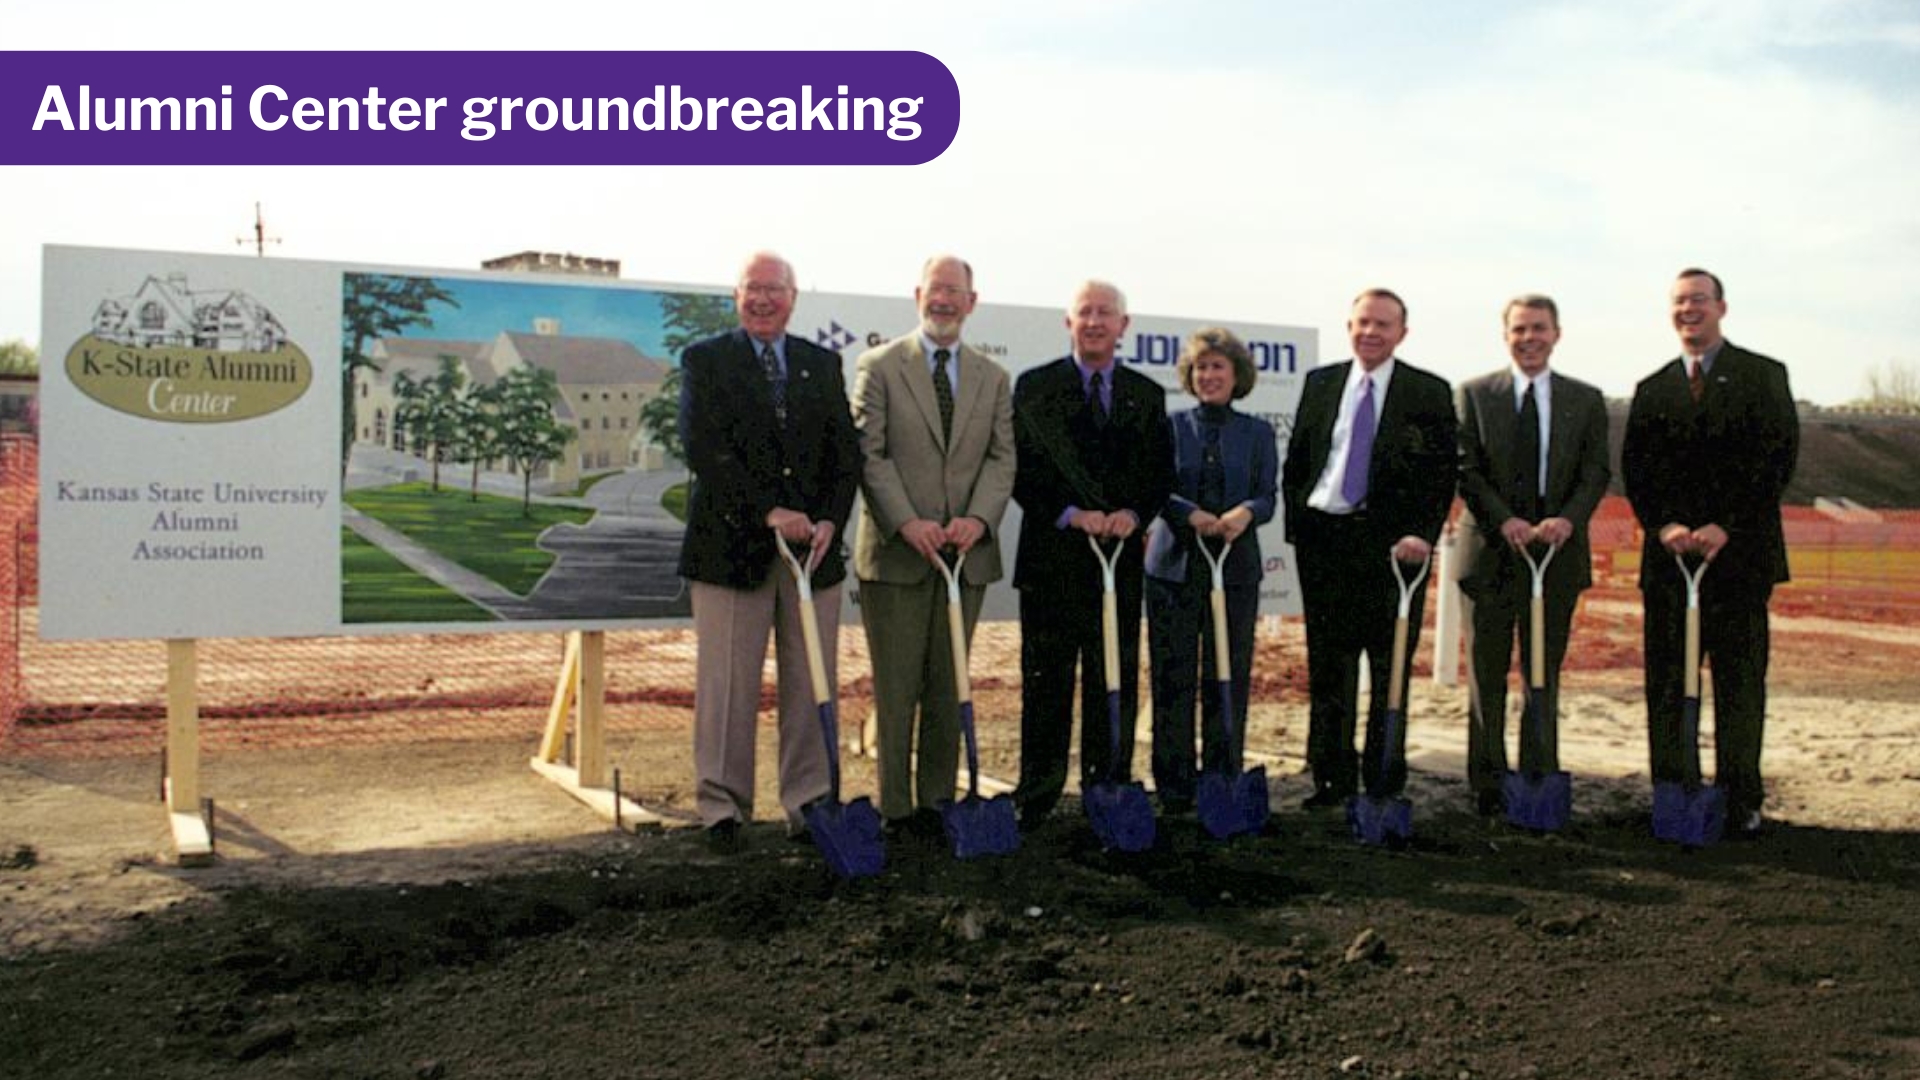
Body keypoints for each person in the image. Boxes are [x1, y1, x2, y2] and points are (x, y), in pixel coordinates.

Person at [677, 251, 862, 853]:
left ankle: (808, 801)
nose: (763, 300)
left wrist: (831, 517)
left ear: (794, 296)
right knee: (728, 686)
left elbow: (845, 454)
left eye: (774, 290)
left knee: (811, 683)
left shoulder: (821, 363)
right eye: (752, 289)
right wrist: (766, 512)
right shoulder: (706, 361)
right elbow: (703, 448)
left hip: (813, 557)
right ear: (736, 296)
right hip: (732, 553)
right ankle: (722, 808)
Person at [1622, 268, 1798, 838]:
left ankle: (1739, 796)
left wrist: (1728, 525)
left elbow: (1776, 461)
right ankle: (1673, 791)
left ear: (1721, 306)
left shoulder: (1763, 376)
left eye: (1698, 299)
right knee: (1668, 682)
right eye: (1678, 301)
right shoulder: (1652, 389)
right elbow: (1638, 472)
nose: (1688, 309)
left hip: (1739, 559)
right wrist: (1665, 525)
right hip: (1671, 562)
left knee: (1739, 681)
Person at [850, 255, 1016, 839]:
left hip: (963, 560)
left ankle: (939, 803)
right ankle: (895, 810)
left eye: (956, 292)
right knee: (896, 690)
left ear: (973, 301)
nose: (944, 301)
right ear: (918, 295)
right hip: (899, 557)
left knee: (950, 687)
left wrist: (977, 520)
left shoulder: (993, 378)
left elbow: (1002, 458)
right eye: (936, 290)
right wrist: (908, 523)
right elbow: (870, 456)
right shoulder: (879, 366)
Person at [1281, 288, 1457, 807]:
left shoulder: (1427, 391)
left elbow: (1441, 472)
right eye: (1362, 323)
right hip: (1325, 541)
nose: (1371, 332)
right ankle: (1330, 781)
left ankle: (1382, 781)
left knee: (1388, 668)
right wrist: (1302, 527)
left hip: (1393, 550)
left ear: (1402, 331)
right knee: (1329, 668)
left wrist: (1420, 533)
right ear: (1349, 325)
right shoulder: (1321, 383)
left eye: (1383, 324)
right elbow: (1300, 461)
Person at [1010, 280, 1174, 829]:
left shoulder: (1147, 396)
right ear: (1069, 322)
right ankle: (1037, 793)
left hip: (1117, 563)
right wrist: (1070, 514)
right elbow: (1022, 471)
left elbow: (1158, 475)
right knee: (1046, 680)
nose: (1095, 322)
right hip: (1051, 560)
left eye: (1107, 313)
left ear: (1124, 326)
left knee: (1115, 676)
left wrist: (1132, 514)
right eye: (1086, 312)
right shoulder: (1035, 388)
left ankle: (1109, 784)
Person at [1456, 295, 1611, 816]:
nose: (1529, 338)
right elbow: (1468, 470)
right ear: (1505, 335)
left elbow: (1596, 472)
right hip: (1490, 555)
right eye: (1519, 329)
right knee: (1487, 672)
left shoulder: (1585, 399)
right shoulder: (1475, 395)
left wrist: (1568, 518)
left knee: (1543, 671)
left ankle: (1538, 775)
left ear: (1556, 334)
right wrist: (1507, 520)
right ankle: (1487, 783)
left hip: (1556, 556)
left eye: (1539, 329)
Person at [1143, 327, 1277, 813]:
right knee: (1172, 676)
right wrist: (1188, 514)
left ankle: (1223, 777)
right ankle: (1175, 785)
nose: (1209, 375)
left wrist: (1245, 513)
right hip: (1174, 570)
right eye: (1201, 368)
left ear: (1236, 374)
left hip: (1235, 570)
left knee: (1227, 675)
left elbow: (1267, 495)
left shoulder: (1258, 432)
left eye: (1218, 367)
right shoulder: (1171, 426)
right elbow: (1153, 484)